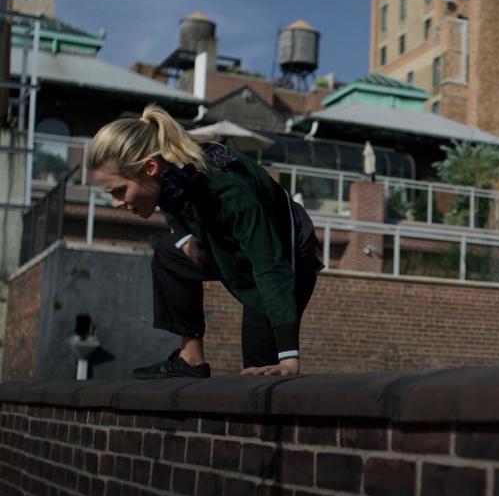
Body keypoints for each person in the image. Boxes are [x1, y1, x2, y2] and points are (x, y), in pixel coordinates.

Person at [88, 104, 323, 378]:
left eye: (119, 191)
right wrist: (187, 239)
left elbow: (270, 267)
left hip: (285, 254)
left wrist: (289, 359)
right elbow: (176, 214)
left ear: (150, 167)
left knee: (260, 372)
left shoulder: (225, 190)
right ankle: (191, 360)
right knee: (169, 252)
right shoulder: (169, 179)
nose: (116, 202)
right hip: (233, 249)